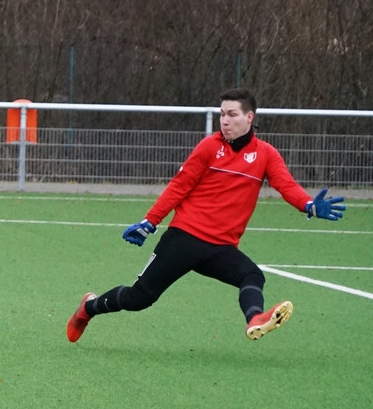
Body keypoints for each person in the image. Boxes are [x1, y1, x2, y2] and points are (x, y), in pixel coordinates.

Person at [67, 87, 346, 343]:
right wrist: (150, 221)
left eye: (232, 114)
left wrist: (308, 205)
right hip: (184, 238)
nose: (225, 121)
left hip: (220, 247)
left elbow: (286, 185)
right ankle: (88, 308)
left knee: (252, 275)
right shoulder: (209, 147)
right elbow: (179, 186)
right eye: (222, 114)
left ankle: (255, 319)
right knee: (139, 298)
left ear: (249, 118)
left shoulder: (266, 154)